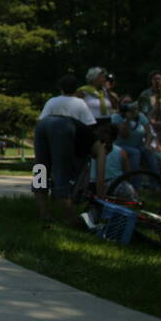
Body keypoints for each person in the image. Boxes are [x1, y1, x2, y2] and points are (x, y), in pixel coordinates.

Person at [32, 74, 97, 226]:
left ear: (60, 88)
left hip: (43, 127)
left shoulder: (52, 101)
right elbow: (89, 126)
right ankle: (69, 217)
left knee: (41, 168)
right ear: (76, 88)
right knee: (61, 171)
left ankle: (44, 213)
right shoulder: (80, 103)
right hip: (63, 130)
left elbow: (42, 119)